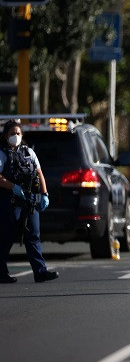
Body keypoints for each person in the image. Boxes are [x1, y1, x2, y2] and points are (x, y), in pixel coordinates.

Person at [0, 120, 58, 283]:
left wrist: (44, 194)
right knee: (6, 237)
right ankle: (1, 272)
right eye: (12, 134)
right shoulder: (2, 154)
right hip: (10, 201)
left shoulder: (28, 152)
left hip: (29, 200)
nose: (16, 136)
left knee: (33, 236)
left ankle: (40, 272)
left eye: (18, 133)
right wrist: (13, 187)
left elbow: (39, 173)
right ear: (6, 136)